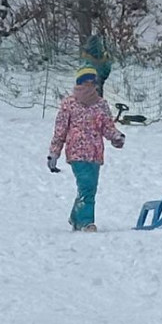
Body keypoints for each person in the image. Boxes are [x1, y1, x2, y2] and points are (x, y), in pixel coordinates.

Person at [47, 65, 125, 232]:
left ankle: (75, 216)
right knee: (87, 186)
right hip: (76, 153)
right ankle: (86, 222)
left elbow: (107, 126)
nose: (91, 86)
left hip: (95, 153)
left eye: (93, 82)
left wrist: (116, 137)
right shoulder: (69, 104)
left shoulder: (101, 104)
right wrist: (54, 153)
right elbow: (60, 130)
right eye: (87, 82)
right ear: (80, 83)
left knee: (90, 188)